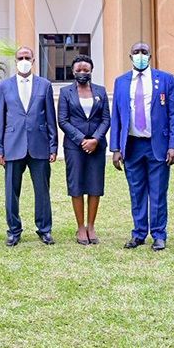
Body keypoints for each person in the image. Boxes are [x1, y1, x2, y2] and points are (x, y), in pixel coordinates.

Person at [110, 42, 174, 251]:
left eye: (144, 52)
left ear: (150, 56)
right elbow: (117, 116)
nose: (140, 55)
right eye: (136, 52)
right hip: (132, 145)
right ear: (130, 56)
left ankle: (159, 234)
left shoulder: (165, 79)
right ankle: (139, 233)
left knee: (158, 192)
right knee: (136, 191)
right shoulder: (121, 82)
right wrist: (115, 148)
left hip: (157, 144)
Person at [0, 46, 58, 246]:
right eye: (20, 57)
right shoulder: (4, 86)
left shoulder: (44, 85)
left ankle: (44, 229)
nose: (23, 60)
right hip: (13, 146)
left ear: (33, 60)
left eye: (27, 57)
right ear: (15, 60)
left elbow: (50, 117)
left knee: (42, 191)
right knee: (11, 192)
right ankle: (14, 230)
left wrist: (53, 146)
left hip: (39, 145)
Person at [57, 54, 110, 245]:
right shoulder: (65, 93)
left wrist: (95, 139)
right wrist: (82, 140)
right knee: (77, 185)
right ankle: (80, 227)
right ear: (73, 71)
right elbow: (62, 120)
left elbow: (106, 119)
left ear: (91, 71)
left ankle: (91, 225)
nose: (82, 73)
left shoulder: (101, 92)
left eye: (85, 70)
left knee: (95, 186)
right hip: (74, 147)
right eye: (78, 70)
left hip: (97, 146)